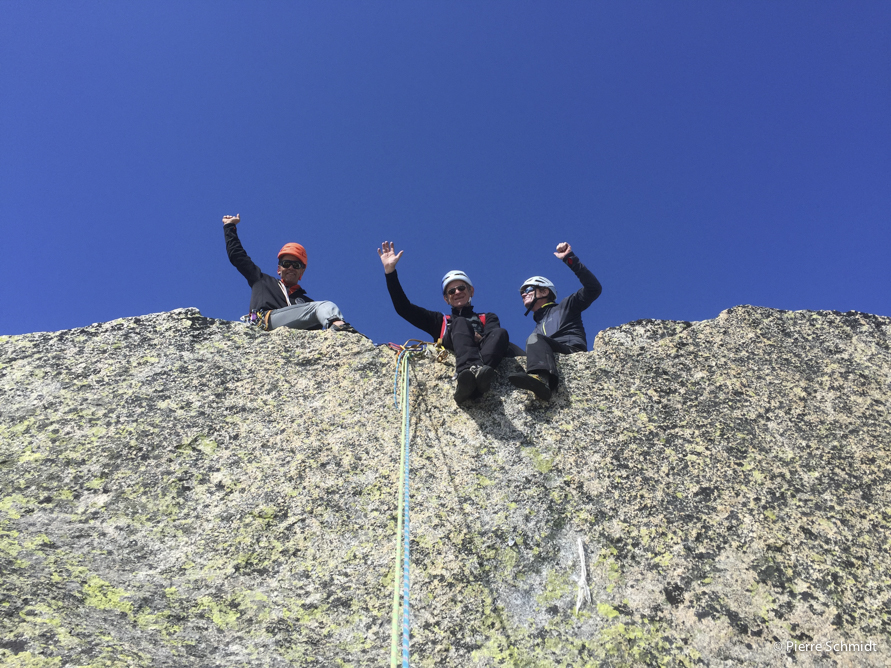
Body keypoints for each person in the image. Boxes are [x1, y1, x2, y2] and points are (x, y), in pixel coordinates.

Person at [377, 241, 511, 404]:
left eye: (461, 288)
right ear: (446, 299)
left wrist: (477, 338)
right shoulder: (440, 321)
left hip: (484, 353)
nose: (457, 292)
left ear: (471, 291)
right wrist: (390, 272)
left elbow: (495, 339)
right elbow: (403, 308)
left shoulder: (487, 317)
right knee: (460, 322)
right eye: (451, 291)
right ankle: (466, 373)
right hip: (454, 346)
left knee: (501, 333)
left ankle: (474, 381)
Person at [223, 214, 356, 332]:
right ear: (278, 269)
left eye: (296, 265)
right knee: (325, 306)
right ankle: (342, 331)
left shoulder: (305, 303)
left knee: (320, 313)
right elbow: (237, 256)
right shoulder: (262, 280)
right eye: (286, 264)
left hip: (294, 333)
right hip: (264, 322)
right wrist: (230, 226)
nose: (291, 267)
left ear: (301, 271)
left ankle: (352, 338)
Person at [509, 242, 602, 401]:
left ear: (545, 291)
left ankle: (542, 380)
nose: (524, 294)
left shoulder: (566, 306)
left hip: (570, 351)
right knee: (506, 345)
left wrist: (569, 258)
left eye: (529, 289)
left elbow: (594, 289)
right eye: (522, 293)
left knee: (534, 339)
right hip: (545, 353)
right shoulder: (537, 328)